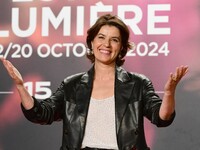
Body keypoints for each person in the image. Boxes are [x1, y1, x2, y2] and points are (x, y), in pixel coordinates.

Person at [0, 14, 188, 150]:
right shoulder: (71, 85)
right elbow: (41, 114)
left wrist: (169, 93)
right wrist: (20, 87)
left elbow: (161, 118)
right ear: (91, 42)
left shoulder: (138, 84)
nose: (106, 44)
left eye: (114, 40)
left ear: (122, 48)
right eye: (101, 37)